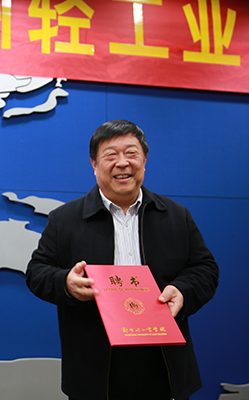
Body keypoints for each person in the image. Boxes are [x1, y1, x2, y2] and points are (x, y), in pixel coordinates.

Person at [26, 120, 219, 400]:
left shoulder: (176, 216)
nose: (122, 163)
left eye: (131, 153)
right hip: (95, 368)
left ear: (145, 160)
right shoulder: (64, 220)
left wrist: (183, 291)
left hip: (164, 364)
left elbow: (205, 269)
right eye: (111, 155)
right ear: (94, 163)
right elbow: (36, 272)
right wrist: (66, 283)